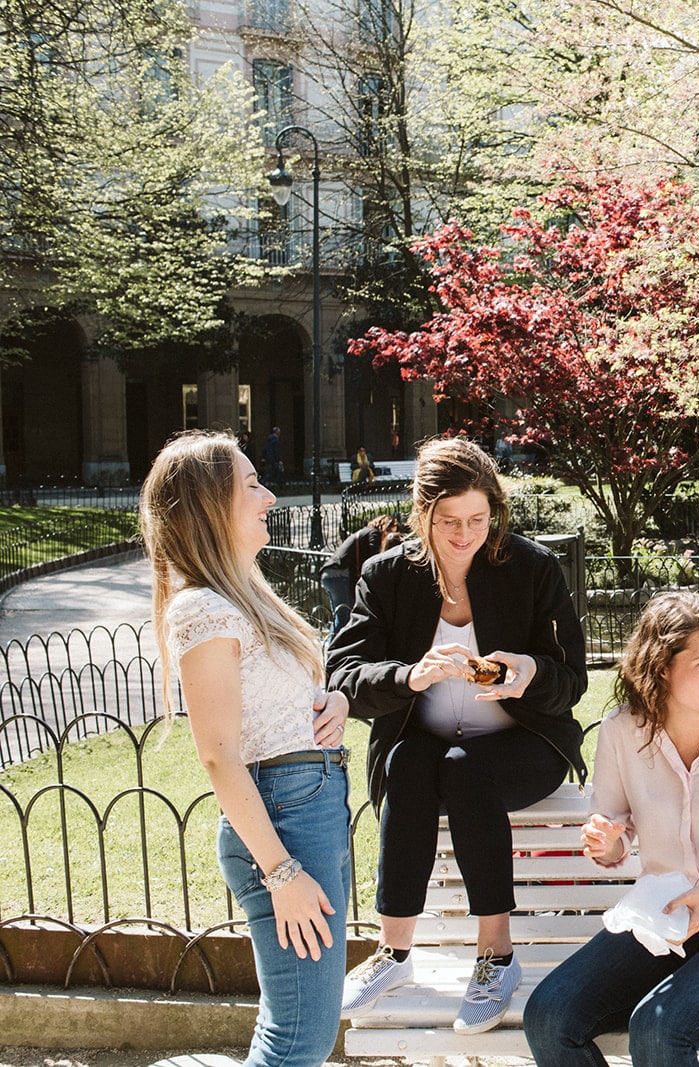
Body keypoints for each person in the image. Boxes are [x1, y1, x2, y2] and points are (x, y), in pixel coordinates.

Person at [328, 436, 588, 1035]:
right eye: (449, 522)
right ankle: (392, 954)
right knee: (413, 764)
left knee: (465, 766)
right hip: (425, 746)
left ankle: (497, 957)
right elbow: (343, 674)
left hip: (524, 745)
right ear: (422, 516)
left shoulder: (531, 567)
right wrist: (408, 674)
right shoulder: (385, 575)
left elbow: (570, 677)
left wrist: (528, 674)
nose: (465, 534)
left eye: (478, 519)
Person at [523, 591, 699, 1066]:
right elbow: (614, 833)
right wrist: (607, 843)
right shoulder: (621, 730)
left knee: (657, 1027)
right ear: (662, 667)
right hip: (662, 919)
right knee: (550, 1018)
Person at [140, 430, 352, 1067]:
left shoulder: (240, 593)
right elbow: (218, 755)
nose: (269, 495)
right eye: (252, 485)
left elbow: (276, 700)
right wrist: (282, 873)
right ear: (209, 507)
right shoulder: (201, 608)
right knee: (299, 1041)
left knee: (296, 1030)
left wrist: (331, 702)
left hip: (308, 808)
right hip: (284, 826)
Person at [319, 514, 401, 636]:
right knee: (344, 615)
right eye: (388, 532)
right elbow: (375, 557)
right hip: (339, 574)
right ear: (383, 527)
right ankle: (334, 650)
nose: (387, 537)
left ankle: (331, 647)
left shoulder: (363, 532)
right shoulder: (373, 533)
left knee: (341, 613)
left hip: (329, 573)